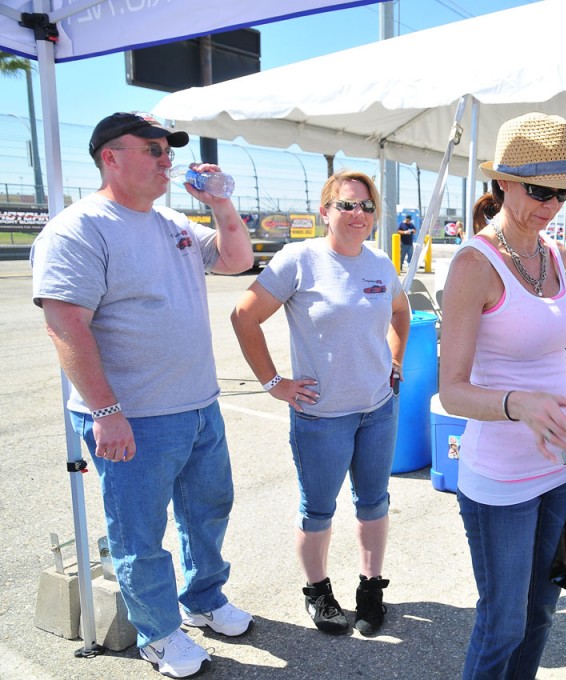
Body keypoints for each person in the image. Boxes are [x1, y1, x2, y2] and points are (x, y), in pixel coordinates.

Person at [30, 112, 254, 679]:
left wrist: (222, 205)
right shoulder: (78, 229)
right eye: (152, 149)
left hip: (198, 406)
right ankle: (159, 633)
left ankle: (203, 598)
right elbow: (66, 326)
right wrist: (106, 412)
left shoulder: (170, 221)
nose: (165, 160)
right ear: (110, 156)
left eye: (167, 151)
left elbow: (236, 260)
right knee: (139, 531)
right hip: (134, 417)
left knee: (208, 510)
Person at [438, 112, 566, 680]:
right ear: (503, 184)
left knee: (541, 612)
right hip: (500, 477)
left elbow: (550, 359)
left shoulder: (553, 253)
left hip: (559, 463)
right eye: (540, 190)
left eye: (562, 192)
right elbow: (453, 392)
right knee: (503, 624)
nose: (552, 203)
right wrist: (521, 404)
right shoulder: (473, 264)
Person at [231, 170, 410, 637]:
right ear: (325, 211)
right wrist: (275, 382)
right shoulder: (299, 259)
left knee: (374, 502)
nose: (358, 215)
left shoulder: (378, 262)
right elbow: (244, 316)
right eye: (347, 205)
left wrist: (395, 360)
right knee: (319, 510)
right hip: (322, 416)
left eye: (367, 207)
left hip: (377, 409)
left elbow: (400, 311)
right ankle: (319, 591)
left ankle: (371, 588)